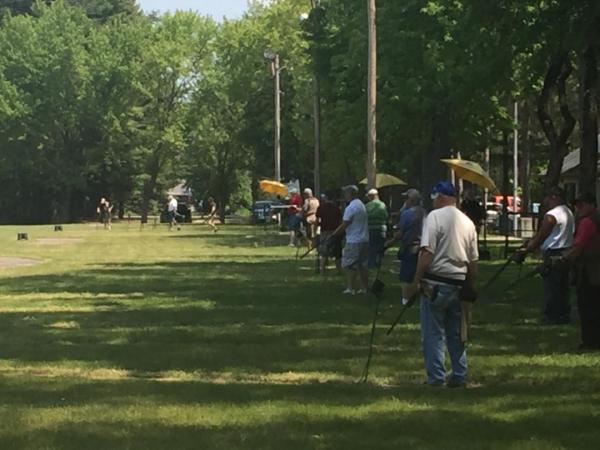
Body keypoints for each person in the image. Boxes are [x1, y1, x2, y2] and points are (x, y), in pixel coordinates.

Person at [404, 181, 478, 387]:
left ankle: (436, 377)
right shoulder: (467, 222)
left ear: (441, 197)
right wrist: (471, 285)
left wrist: (416, 280)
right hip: (459, 283)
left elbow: (427, 252)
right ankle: (459, 373)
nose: (433, 202)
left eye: (434, 198)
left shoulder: (434, 217)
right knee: (457, 333)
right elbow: (473, 261)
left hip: (436, 283)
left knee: (433, 333)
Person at [513, 186, 574, 324]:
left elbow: (541, 236)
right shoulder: (568, 212)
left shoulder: (551, 215)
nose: (546, 201)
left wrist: (527, 249)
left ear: (555, 197)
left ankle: (551, 316)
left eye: (548, 197)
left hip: (553, 252)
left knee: (551, 285)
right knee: (563, 285)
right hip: (566, 251)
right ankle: (563, 314)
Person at [563, 193, 600, 350]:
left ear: (591, 205)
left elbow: (578, 247)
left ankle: (591, 342)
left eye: (582, 205)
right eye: (577, 206)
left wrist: (564, 259)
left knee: (588, 306)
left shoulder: (587, 222)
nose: (579, 209)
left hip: (590, 271)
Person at [331, 185, 370, 295]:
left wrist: (334, 234)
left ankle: (350, 288)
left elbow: (345, 224)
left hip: (354, 240)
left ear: (350, 194)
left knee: (349, 265)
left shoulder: (351, 207)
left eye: (345, 193)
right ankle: (364, 288)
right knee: (362, 265)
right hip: (364, 239)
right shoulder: (361, 205)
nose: (344, 196)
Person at [385, 189, 427, 283]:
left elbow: (400, 233)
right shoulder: (424, 212)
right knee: (419, 276)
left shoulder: (407, 213)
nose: (404, 201)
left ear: (411, 200)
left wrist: (390, 242)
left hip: (410, 247)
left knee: (406, 279)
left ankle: (407, 293)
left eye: (406, 198)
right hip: (423, 247)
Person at [316, 193, 343, 274]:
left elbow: (317, 219)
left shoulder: (321, 207)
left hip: (324, 231)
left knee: (324, 252)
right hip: (335, 231)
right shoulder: (336, 207)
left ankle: (322, 270)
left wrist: (318, 227)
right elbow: (340, 219)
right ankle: (339, 270)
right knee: (337, 252)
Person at [365, 188, 389, 269]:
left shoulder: (367, 206)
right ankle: (379, 264)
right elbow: (386, 216)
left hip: (370, 229)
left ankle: (371, 265)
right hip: (381, 229)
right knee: (381, 247)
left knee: (371, 248)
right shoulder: (382, 205)